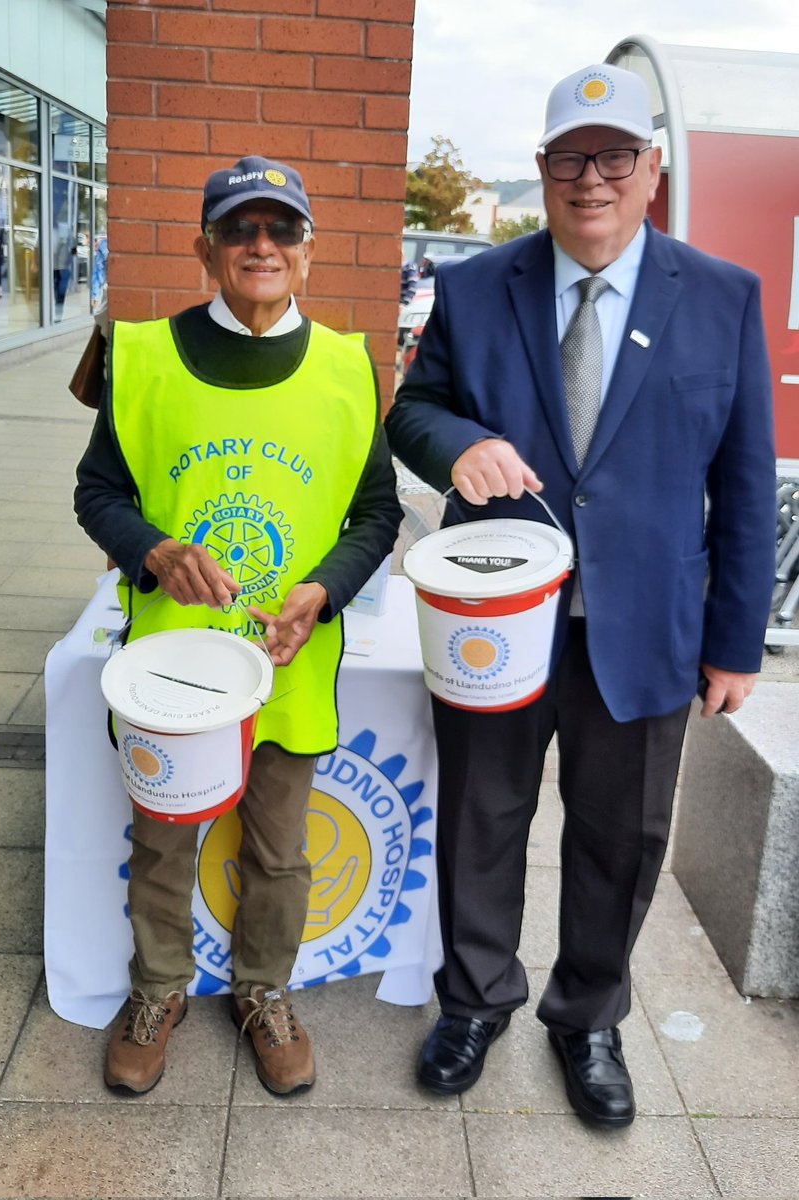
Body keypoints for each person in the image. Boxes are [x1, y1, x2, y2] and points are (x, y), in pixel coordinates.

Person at [385, 63, 775, 1127]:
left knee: (620, 835)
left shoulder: (723, 297)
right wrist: (461, 443)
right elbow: (409, 415)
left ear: (649, 171)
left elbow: (743, 485)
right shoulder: (475, 290)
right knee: (480, 817)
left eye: (612, 157)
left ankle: (587, 1016)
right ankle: (474, 998)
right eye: (569, 159)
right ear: (543, 173)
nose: (590, 180)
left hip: (645, 628)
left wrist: (732, 645)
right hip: (494, 621)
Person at [74, 155, 402, 1097]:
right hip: (171, 671)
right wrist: (155, 549)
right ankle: (157, 989)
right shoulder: (142, 356)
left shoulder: (347, 366)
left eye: (281, 230)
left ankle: (263, 991)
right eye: (240, 229)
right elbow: (96, 492)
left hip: (286, 662)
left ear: (307, 253)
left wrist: (325, 592)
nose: (261, 245)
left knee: (279, 849)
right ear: (205, 249)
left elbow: (376, 514)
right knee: (167, 839)